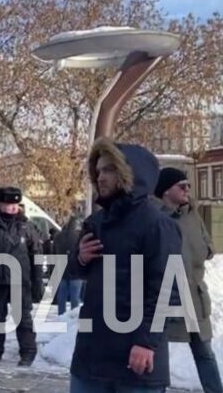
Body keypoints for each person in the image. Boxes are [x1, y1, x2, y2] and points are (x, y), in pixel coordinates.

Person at [66, 140, 179, 393]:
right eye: (98, 171)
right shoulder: (96, 221)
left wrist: (146, 343)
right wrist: (80, 258)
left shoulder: (157, 225)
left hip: (135, 360)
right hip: (91, 356)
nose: (100, 177)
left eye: (108, 170)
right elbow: (72, 272)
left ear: (129, 173)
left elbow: (166, 289)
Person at [154, 167, 221, 393]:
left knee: (205, 354)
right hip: (165, 300)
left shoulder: (193, 215)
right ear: (165, 191)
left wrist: (206, 250)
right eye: (181, 186)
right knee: (155, 354)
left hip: (195, 297)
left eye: (188, 186)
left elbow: (207, 246)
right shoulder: (154, 218)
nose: (187, 190)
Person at [0, 186, 44, 367]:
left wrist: (38, 283)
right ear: (0, 203)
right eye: (8, 203)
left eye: (15, 204)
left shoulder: (26, 226)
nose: (12, 207)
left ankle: (28, 352)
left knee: (23, 317)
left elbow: (36, 255)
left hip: (20, 280)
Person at [55, 213, 87, 314]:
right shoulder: (79, 237)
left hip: (61, 271)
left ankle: (61, 315)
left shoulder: (58, 236)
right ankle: (73, 317)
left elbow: (53, 252)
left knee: (62, 297)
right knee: (75, 298)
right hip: (76, 272)